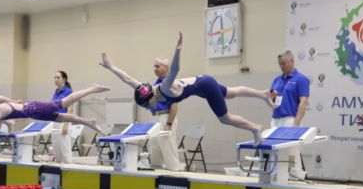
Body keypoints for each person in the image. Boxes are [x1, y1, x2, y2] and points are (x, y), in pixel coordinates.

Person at [100, 32, 273, 144]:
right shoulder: (148, 90)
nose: (149, 108)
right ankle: (262, 94)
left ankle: (255, 128)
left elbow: (174, 70)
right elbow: (128, 79)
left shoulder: (165, 89)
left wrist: (178, 50)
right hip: (201, 85)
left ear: (150, 98)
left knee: (225, 118)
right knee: (230, 93)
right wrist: (110, 67)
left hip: (205, 85)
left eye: (147, 105)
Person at [0, 84, 110, 167]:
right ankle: (88, 122)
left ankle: (92, 89)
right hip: (32, 112)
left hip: (33, 108)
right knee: (60, 118)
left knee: (65, 102)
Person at [269, 50, 310, 178]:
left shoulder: (301, 79)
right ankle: (276, 175)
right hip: (276, 119)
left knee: (292, 150)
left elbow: (303, 102)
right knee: (275, 149)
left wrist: (296, 124)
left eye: (284, 63)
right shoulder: (277, 79)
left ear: (292, 61)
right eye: (279, 64)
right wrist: (272, 97)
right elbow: (271, 100)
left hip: (290, 119)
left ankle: (296, 175)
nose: (281, 66)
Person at [147, 57, 182, 170]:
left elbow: (175, 104)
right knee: (154, 148)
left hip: (165, 117)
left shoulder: (171, 82)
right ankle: (156, 170)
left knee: (168, 147)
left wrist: (169, 123)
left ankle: (174, 171)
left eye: (157, 66)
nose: (155, 68)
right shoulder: (157, 82)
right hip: (155, 118)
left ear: (166, 67)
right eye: (154, 66)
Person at [50, 71, 74, 163]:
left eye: (58, 77)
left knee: (65, 148)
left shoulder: (68, 92)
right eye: (55, 77)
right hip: (55, 122)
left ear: (64, 79)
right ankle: (58, 167)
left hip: (64, 122)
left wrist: (65, 125)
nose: (55, 79)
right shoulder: (55, 92)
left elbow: (70, 109)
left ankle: (68, 167)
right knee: (56, 148)